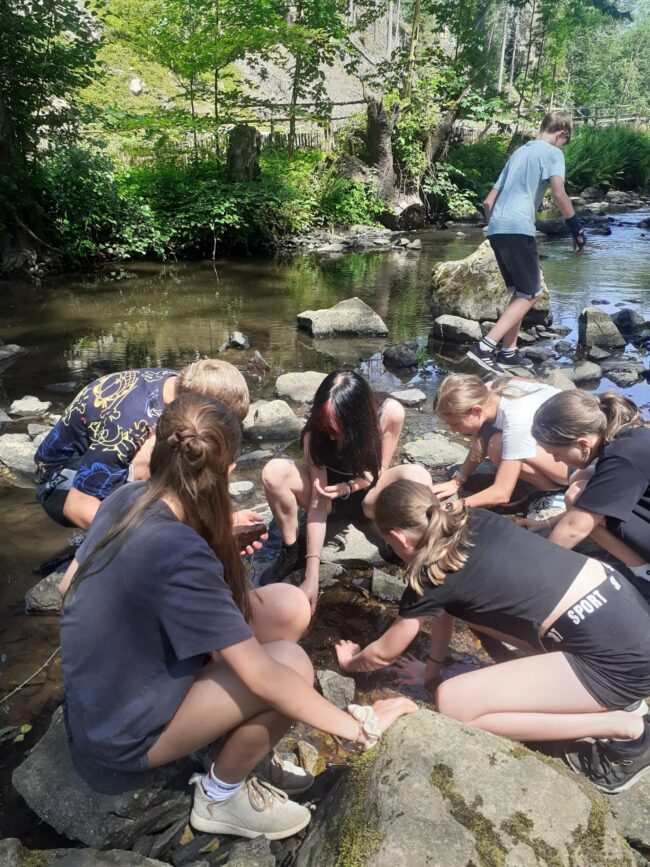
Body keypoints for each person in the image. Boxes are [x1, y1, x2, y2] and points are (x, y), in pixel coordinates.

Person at [59, 393, 416, 840]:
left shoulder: (127, 496)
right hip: (122, 731)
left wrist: (217, 542)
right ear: (227, 472)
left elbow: (67, 587)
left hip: (105, 695)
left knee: (287, 606)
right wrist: (360, 727)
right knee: (292, 666)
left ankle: (235, 743)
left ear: (157, 447)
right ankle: (219, 796)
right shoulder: (181, 553)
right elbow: (263, 677)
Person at [335, 479, 650, 794]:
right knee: (479, 617)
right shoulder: (478, 519)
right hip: (628, 618)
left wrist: (351, 662)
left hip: (620, 663)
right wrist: (430, 672)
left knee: (454, 705)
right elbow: (445, 610)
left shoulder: (431, 575)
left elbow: (383, 653)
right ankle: (606, 698)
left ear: (397, 538)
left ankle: (627, 730)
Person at [260, 370, 431, 613]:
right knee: (274, 471)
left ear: (357, 419)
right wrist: (311, 574)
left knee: (418, 475)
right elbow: (318, 503)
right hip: (329, 499)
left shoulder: (389, 413)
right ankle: (292, 550)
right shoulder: (315, 434)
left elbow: (379, 471)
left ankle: (412, 549)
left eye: (336, 428)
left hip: (369, 496)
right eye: (324, 426)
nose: (330, 435)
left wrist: (348, 487)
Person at [34, 359, 260, 536]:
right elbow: (77, 505)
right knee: (161, 453)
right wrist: (143, 545)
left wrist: (224, 519)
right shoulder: (129, 426)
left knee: (194, 451)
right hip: (60, 484)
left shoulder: (183, 386)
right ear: (194, 406)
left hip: (105, 467)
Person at [468, 110, 586, 373]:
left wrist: (497, 226)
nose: (562, 146)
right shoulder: (553, 153)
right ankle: (484, 347)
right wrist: (576, 229)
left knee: (520, 292)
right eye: (564, 142)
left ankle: (508, 352)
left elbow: (488, 201)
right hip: (519, 228)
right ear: (561, 134)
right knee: (531, 293)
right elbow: (559, 195)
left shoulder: (519, 153)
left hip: (496, 227)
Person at [522, 390, 650, 582]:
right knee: (583, 476)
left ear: (583, 444)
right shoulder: (630, 437)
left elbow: (574, 528)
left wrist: (531, 570)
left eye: (556, 453)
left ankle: (643, 572)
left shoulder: (622, 459)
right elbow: (593, 503)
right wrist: (546, 524)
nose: (556, 460)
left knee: (577, 493)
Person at [431, 374, 569, 508]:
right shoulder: (485, 393)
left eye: (455, 424)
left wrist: (454, 506)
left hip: (574, 466)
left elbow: (502, 494)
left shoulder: (516, 418)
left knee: (497, 446)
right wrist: (456, 481)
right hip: (554, 447)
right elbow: (481, 441)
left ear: (476, 411)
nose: (453, 431)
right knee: (497, 444)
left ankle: (553, 491)